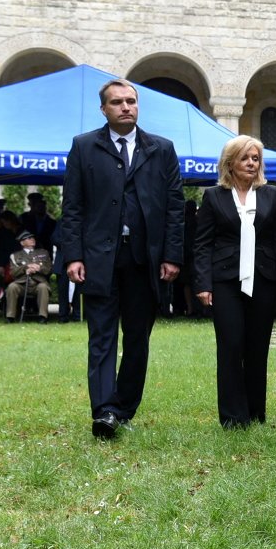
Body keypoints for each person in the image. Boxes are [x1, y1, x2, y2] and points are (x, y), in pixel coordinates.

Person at [57, 79, 185, 439]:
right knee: (101, 337)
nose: (125, 107)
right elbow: (73, 207)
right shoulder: (84, 147)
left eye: (131, 101)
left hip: (145, 260)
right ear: (104, 109)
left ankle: (123, 407)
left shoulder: (161, 149)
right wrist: (73, 256)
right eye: (117, 102)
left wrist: (172, 255)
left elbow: (175, 207)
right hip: (99, 259)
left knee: (138, 339)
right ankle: (103, 412)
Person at [194, 135, 276, 428]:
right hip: (225, 281)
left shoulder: (271, 195)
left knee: (257, 347)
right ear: (230, 163)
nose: (251, 163)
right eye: (245, 158)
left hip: (264, 279)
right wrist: (203, 284)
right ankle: (232, 417)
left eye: (255, 158)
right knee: (230, 345)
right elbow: (202, 244)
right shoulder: (214, 196)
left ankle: (255, 413)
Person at [4, 229, 53, 322]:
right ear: (22, 243)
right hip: (22, 283)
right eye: (28, 238)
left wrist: (39, 268)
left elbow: (49, 269)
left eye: (32, 238)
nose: (32, 239)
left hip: (38, 282)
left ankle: (43, 316)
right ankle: (10, 316)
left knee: (43, 287)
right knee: (12, 287)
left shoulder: (43, 253)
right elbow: (13, 272)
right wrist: (25, 267)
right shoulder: (15, 255)